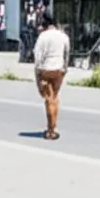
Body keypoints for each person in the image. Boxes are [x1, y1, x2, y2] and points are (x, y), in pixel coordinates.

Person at [32, 12, 71, 141]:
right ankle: (54, 127)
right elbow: (67, 54)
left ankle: (50, 131)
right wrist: (65, 69)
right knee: (55, 98)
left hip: (46, 70)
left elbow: (37, 57)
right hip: (59, 70)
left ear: (44, 25)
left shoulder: (42, 37)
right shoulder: (63, 36)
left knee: (49, 100)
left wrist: (37, 77)